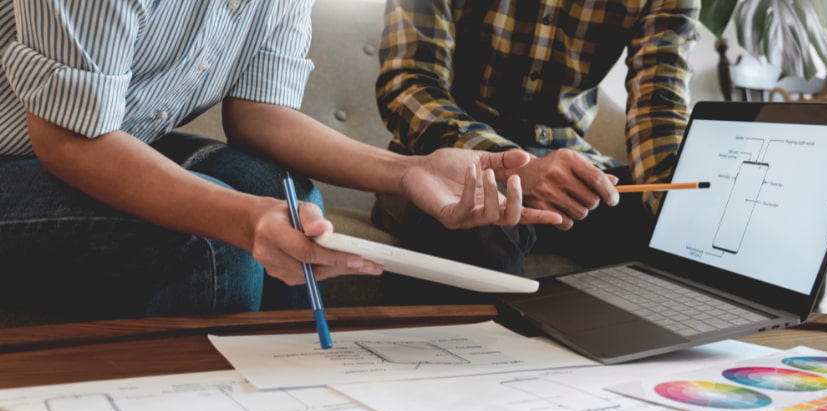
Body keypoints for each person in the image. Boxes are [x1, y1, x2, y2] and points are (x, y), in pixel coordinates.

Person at [0, 0, 560, 321]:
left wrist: (408, 171)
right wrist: (239, 219)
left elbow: (259, 110)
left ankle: (283, 406)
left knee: (289, 197)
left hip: (99, 141)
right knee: (215, 242)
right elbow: (67, 138)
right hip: (33, 152)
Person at [373, 0, 700, 275]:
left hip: (568, 169)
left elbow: (659, 106)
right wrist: (509, 166)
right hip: (449, 162)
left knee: (669, 236)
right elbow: (410, 85)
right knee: (481, 227)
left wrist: (680, 211)